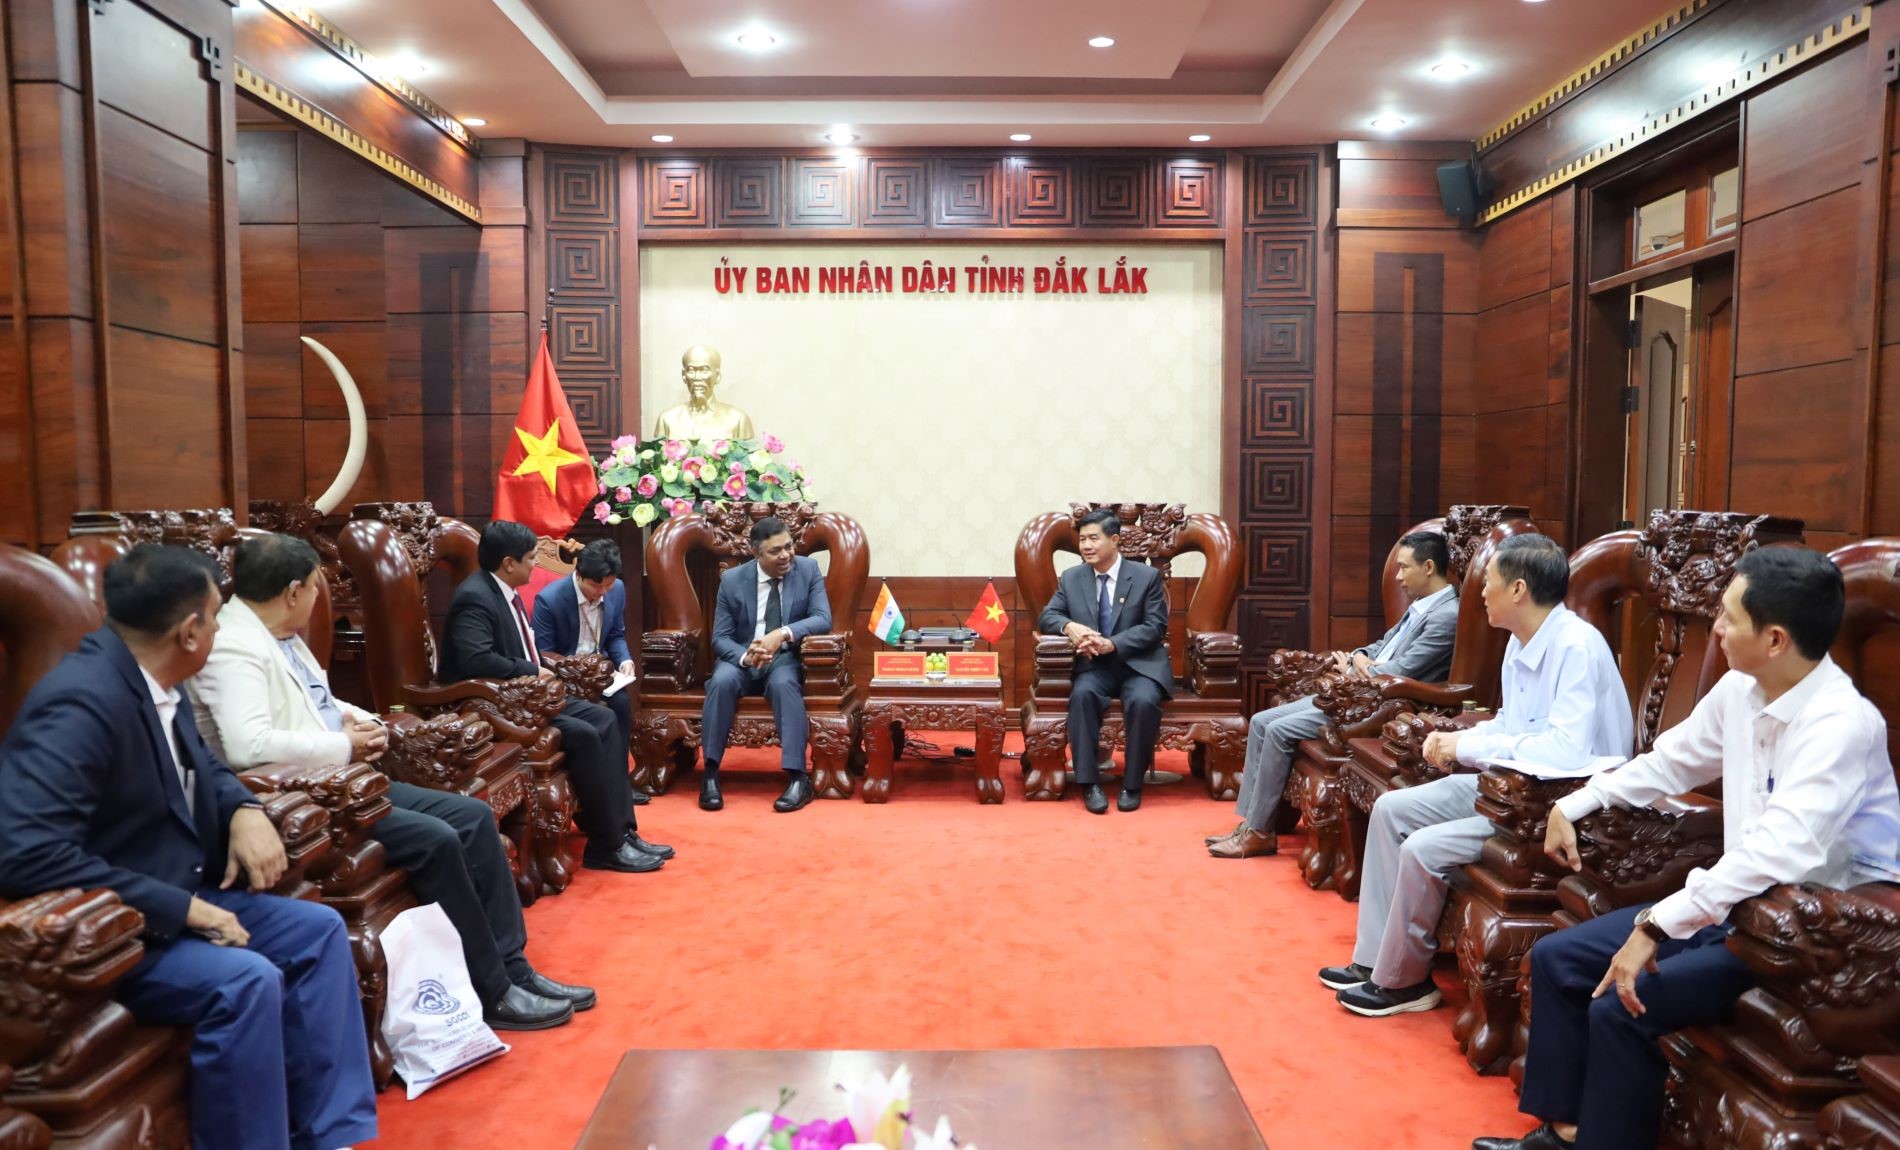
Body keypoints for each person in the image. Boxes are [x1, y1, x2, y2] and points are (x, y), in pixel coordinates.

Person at [1474, 548, 1900, 1150]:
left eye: (1728, 617)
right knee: (1557, 959)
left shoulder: (1842, 724)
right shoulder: (1742, 690)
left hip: (1807, 936)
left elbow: (1777, 854)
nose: (1716, 628)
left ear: (1775, 639)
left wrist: (1656, 923)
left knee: (1623, 1006)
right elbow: (1670, 762)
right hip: (1735, 905)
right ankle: (1566, 1132)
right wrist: (1576, 802)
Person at [0, 545, 378, 1150]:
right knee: (245, 980)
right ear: (190, 631)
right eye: (217, 616)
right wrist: (182, 910)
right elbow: (25, 853)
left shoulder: (153, 677)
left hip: (183, 885)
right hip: (116, 929)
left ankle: (330, 1134)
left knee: (318, 931)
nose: (221, 629)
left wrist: (243, 810)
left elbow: (204, 763)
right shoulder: (81, 703)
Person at [188, 532, 593, 1031]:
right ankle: (492, 990)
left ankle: (514, 968)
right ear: (293, 591)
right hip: (307, 798)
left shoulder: (277, 633)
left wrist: (370, 723)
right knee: (439, 839)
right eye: (315, 587)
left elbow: (320, 701)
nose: (315, 597)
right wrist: (344, 744)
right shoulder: (234, 646)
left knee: (472, 815)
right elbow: (248, 747)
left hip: (346, 776)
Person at [1322, 533, 1633, 1017]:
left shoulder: (1577, 646)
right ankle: (1374, 959)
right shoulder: (1519, 641)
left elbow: (1565, 751)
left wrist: (1467, 746)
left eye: (1488, 582)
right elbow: (1511, 725)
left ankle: (1403, 983)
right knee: (1391, 809)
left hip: (1562, 806)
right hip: (1511, 789)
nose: (1481, 592)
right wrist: (1456, 745)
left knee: (1422, 847)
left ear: (1518, 589)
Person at [1210, 529, 1461, 858]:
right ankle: (1252, 823)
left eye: (1404, 568)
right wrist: (1357, 657)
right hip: (1357, 691)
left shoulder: (1446, 616)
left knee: (1278, 729)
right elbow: (1380, 647)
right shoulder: (1421, 607)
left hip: (1377, 705)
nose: (1398, 577)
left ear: (1428, 567)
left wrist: (1361, 667)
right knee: (1260, 721)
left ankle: (1259, 833)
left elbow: (1403, 670)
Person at [439, 520, 671, 873]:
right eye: (532, 558)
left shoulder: (501, 589)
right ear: (509, 563)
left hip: (526, 693)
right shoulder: (475, 596)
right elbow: (476, 659)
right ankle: (605, 845)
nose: (537, 565)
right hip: (498, 702)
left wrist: (538, 671)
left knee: (607, 717)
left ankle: (623, 831)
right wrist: (533, 671)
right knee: (586, 734)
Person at [1039, 508, 1172, 815]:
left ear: (1114, 540)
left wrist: (1112, 644)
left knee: (1143, 701)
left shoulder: (1146, 577)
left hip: (1139, 665)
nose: (1086, 546)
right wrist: (1069, 627)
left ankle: (1132, 783)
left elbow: (1155, 627)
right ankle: (1089, 783)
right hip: (1095, 666)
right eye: (1082, 539)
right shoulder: (1072, 578)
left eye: (1093, 538)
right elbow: (1048, 615)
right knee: (1082, 696)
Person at [700, 515, 832, 813]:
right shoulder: (732, 580)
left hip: (784, 656)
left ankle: (797, 777)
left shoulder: (808, 569)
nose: (786, 555)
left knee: (784, 684)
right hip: (742, 657)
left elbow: (822, 618)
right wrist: (746, 656)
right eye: (775, 551)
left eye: (788, 546)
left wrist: (781, 634)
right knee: (721, 682)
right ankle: (709, 773)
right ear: (756, 553)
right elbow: (720, 638)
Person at [532, 538, 646, 805]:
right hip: (564, 679)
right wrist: (576, 672)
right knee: (598, 719)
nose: (603, 592)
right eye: (596, 585)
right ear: (579, 574)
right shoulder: (550, 600)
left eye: (609, 584)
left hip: (601, 675)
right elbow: (543, 654)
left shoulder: (617, 590)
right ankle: (596, 786)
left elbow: (616, 635)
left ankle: (620, 784)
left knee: (622, 704)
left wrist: (625, 660)